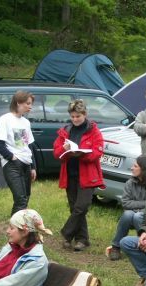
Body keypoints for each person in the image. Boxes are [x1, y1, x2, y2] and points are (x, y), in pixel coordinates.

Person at [53, 99, 104, 252]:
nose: (75, 119)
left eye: (78, 116)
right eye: (72, 116)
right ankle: (82, 239)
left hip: (88, 175)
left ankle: (66, 234)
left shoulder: (94, 130)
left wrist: (81, 154)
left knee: (81, 207)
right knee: (74, 207)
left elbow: (97, 152)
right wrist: (64, 150)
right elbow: (56, 153)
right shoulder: (65, 131)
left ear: (85, 114)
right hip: (70, 174)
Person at [107, 155, 146, 261]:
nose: (132, 168)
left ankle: (145, 245)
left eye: (135, 166)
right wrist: (144, 204)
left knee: (137, 216)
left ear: (143, 169)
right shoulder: (130, 183)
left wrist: (138, 209)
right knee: (127, 214)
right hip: (132, 214)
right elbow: (125, 203)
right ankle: (116, 247)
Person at [0, 90, 37, 214]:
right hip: (12, 164)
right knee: (20, 199)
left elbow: (29, 146)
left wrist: (33, 167)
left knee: (26, 197)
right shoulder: (5, 120)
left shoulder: (26, 122)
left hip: (26, 163)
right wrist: (12, 158)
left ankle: (18, 224)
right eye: (27, 103)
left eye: (31, 104)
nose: (30, 106)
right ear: (18, 102)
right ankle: (15, 225)